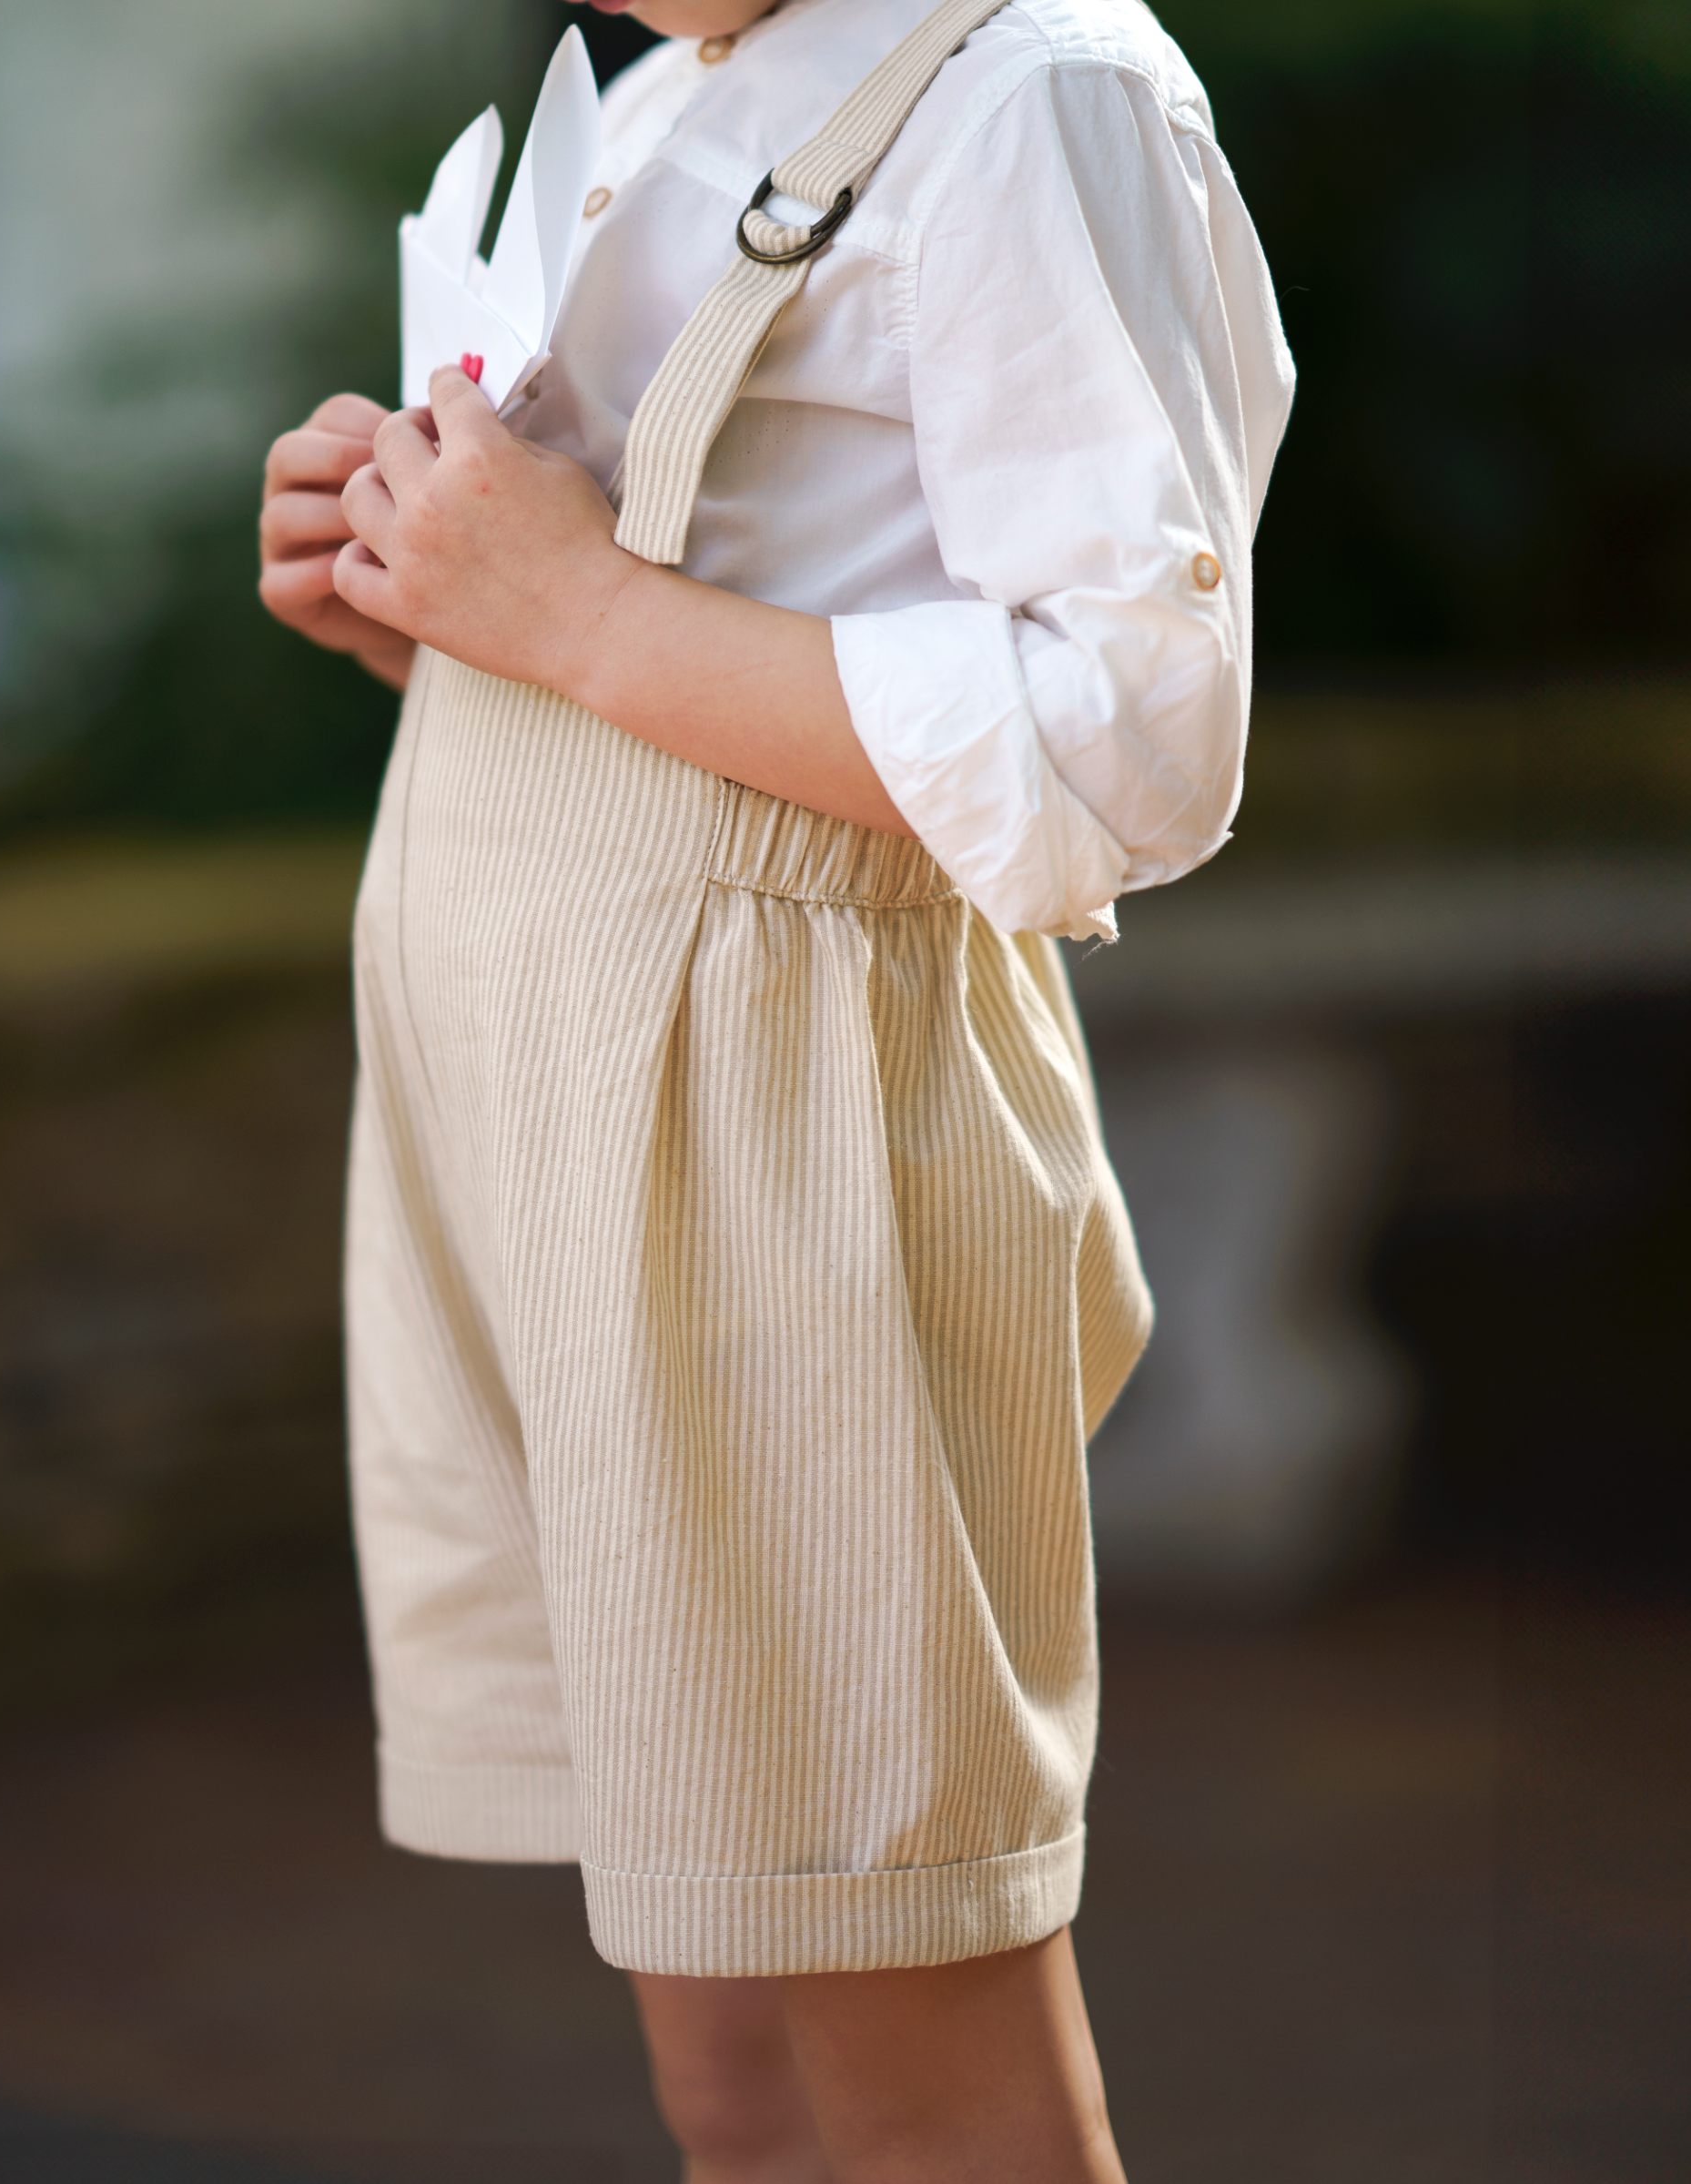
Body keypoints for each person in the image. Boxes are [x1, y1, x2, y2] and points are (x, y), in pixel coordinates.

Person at [258, 2, 1292, 2176]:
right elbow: (687, 622)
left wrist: (578, 616)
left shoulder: (1035, 95)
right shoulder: (646, 100)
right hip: (530, 1104)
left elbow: (1132, 736)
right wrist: (424, 590)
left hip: (772, 1141)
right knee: (727, 2056)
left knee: (922, 2073)